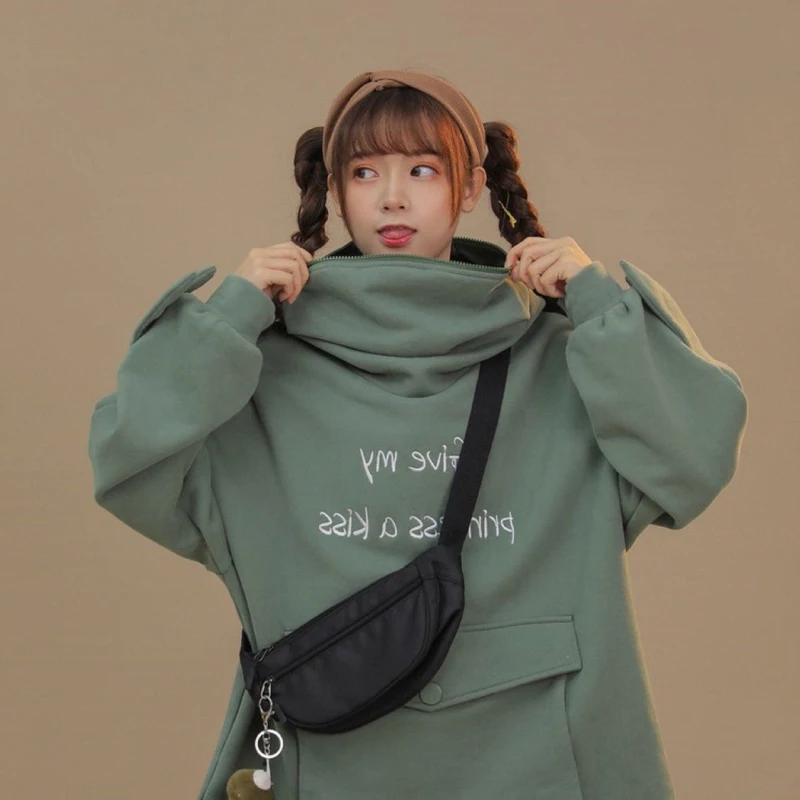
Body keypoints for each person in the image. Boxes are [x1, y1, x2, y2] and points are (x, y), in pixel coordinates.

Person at [87, 68, 748, 800]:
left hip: (540, 768)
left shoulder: (568, 361)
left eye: (422, 170)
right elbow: (128, 461)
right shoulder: (257, 376)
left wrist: (597, 304)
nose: (392, 198)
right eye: (364, 172)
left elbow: (694, 457)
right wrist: (231, 317)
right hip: (341, 761)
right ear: (336, 191)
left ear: (470, 189)